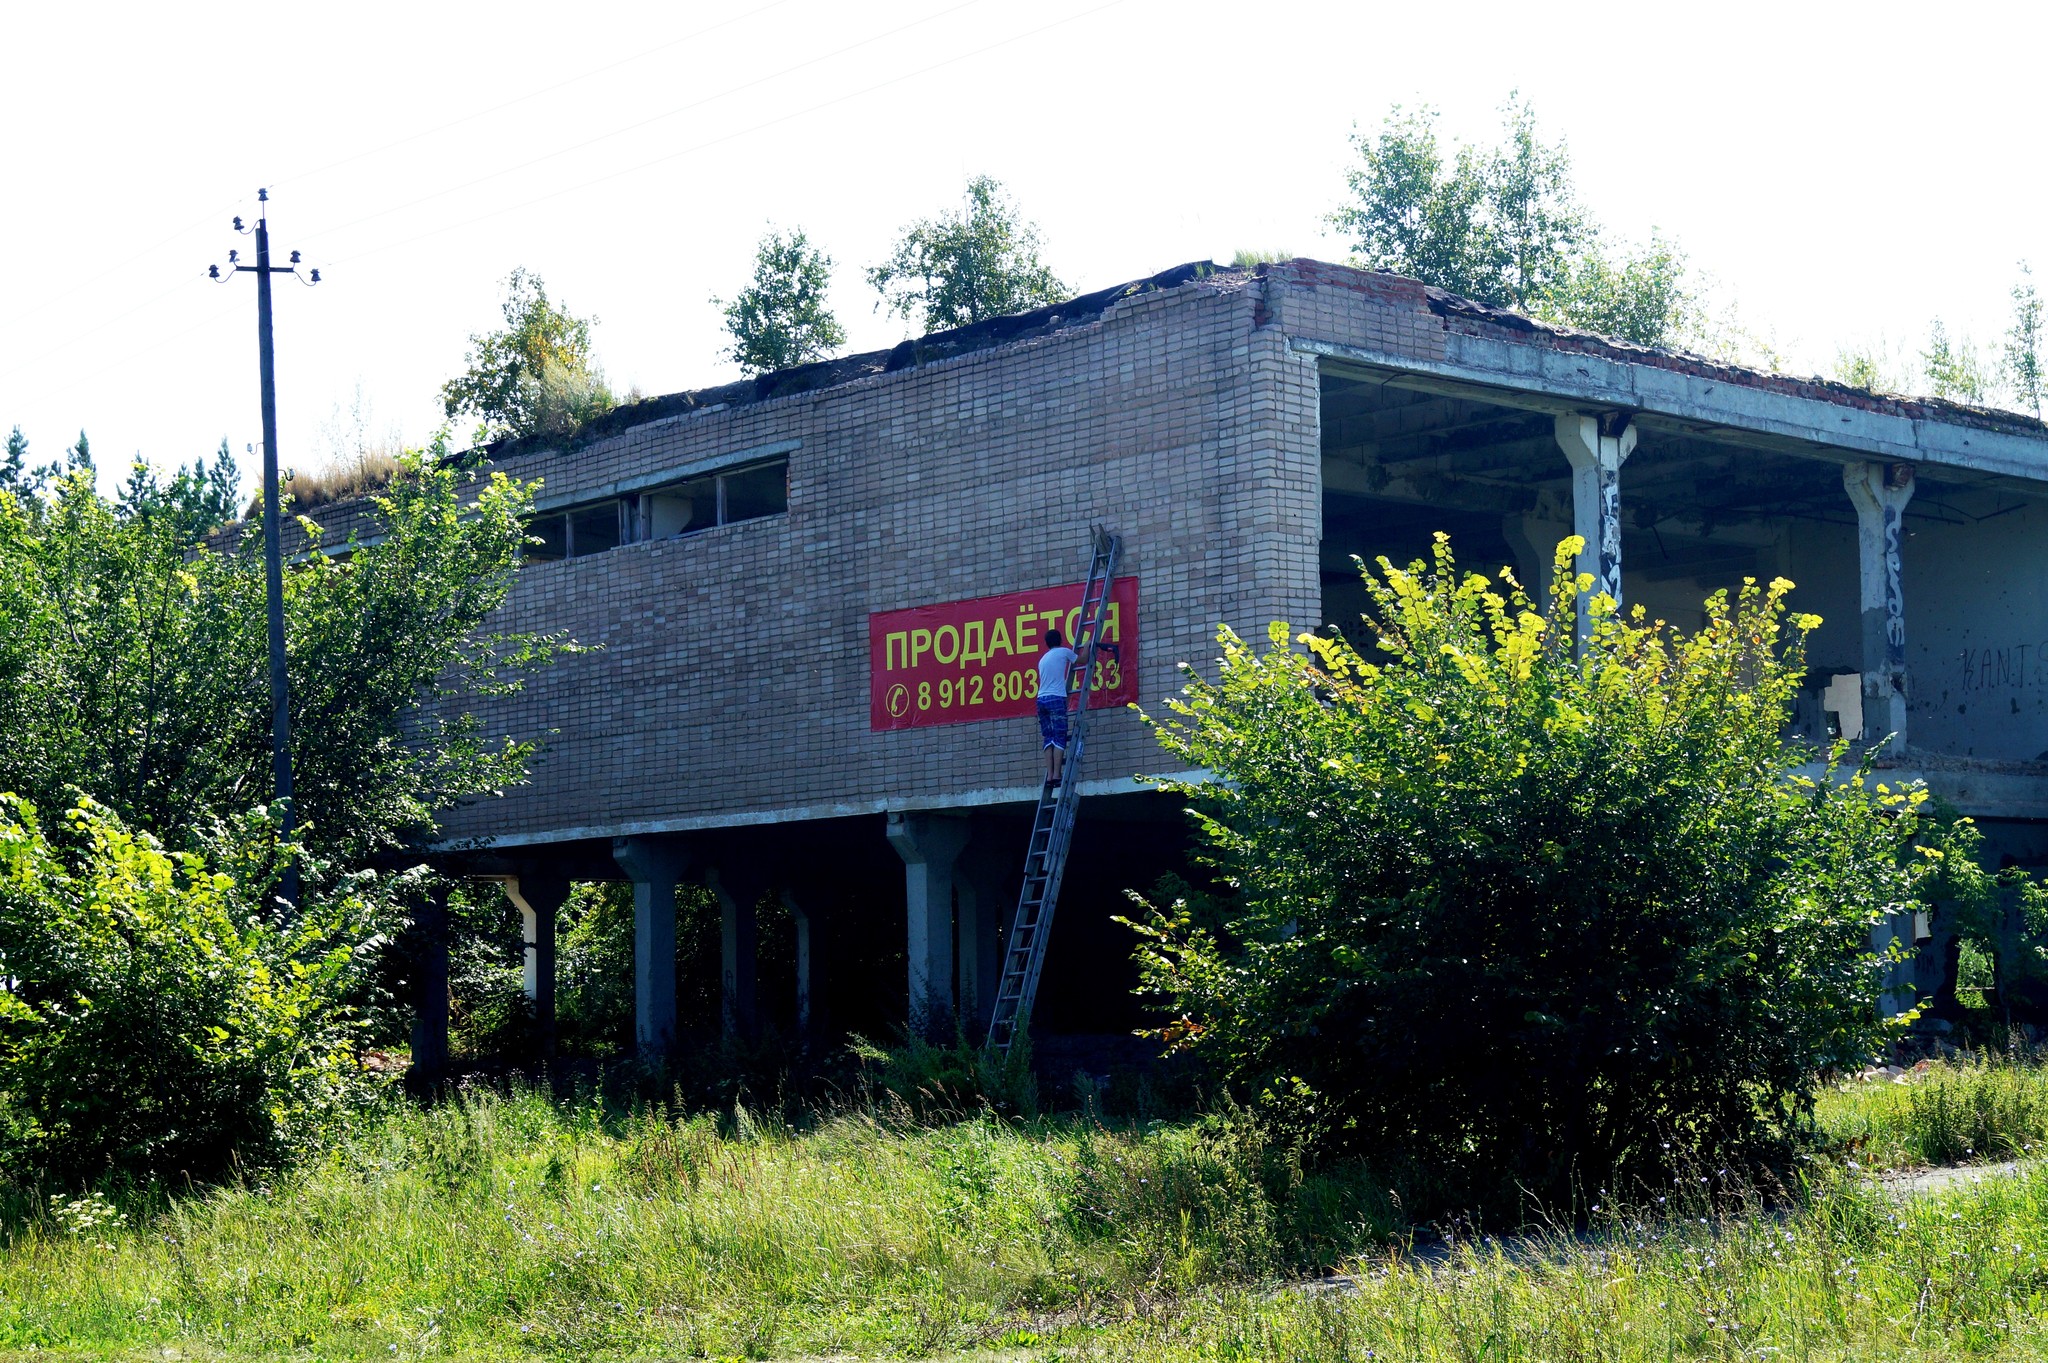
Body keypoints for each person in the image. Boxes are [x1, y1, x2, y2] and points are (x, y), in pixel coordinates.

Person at [1035, 627, 1078, 786]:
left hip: (1041, 699)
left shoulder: (1043, 659)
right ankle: (1056, 774)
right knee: (1059, 736)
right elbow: (1082, 660)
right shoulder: (1063, 652)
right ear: (1060, 640)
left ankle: (1049, 775)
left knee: (1048, 737)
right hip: (1056, 698)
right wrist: (1087, 646)